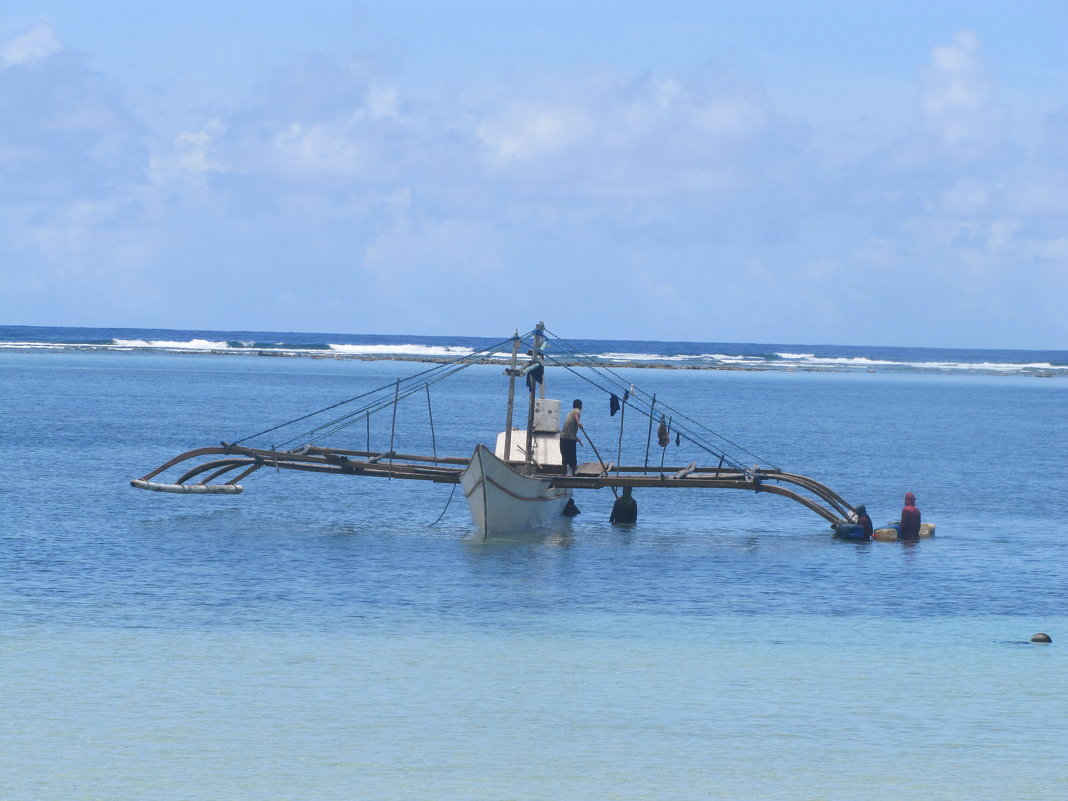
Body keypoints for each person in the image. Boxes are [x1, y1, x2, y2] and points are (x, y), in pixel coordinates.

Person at [559, 399, 584, 475]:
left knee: (565, 459)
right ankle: (572, 475)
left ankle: (564, 475)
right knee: (572, 460)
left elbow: (570, 430)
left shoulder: (569, 414)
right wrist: (579, 423)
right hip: (569, 439)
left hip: (563, 438)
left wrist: (577, 439)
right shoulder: (577, 411)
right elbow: (576, 414)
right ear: (580, 406)